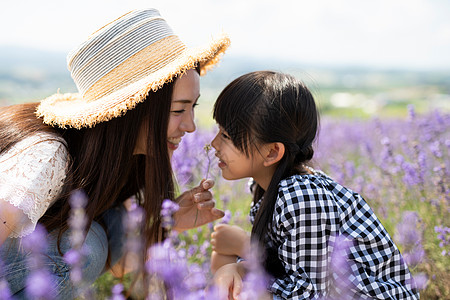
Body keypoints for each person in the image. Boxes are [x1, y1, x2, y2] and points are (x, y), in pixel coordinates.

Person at [0, 8, 229, 298]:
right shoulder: (47, 156)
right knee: (86, 245)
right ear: (132, 111)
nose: (191, 126)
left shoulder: (121, 164)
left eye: (192, 108)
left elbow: (119, 264)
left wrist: (168, 225)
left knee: (116, 226)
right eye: (177, 110)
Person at [209, 71, 419, 299]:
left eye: (227, 136)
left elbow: (309, 295)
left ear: (272, 152)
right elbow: (288, 266)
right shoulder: (267, 187)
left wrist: (249, 251)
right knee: (225, 259)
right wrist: (240, 265)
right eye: (219, 131)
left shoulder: (301, 197)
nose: (214, 144)